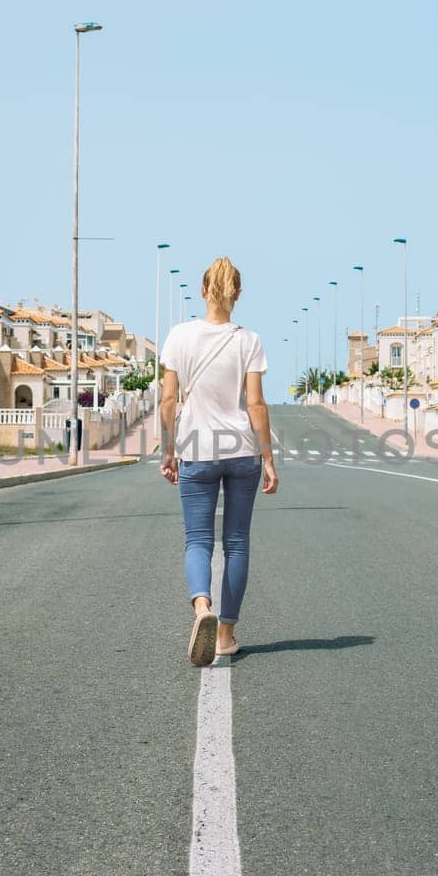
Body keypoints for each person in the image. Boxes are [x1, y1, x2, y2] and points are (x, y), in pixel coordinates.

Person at [159, 257, 279, 667]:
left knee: (197, 540)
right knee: (237, 543)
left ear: (203, 290)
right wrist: (268, 458)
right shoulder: (250, 340)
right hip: (242, 450)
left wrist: (168, 450)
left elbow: (169, 400)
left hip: (196, 449)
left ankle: (202, 609)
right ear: (237, 294)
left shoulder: (178, 336)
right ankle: (226, 634)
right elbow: (256, 404)